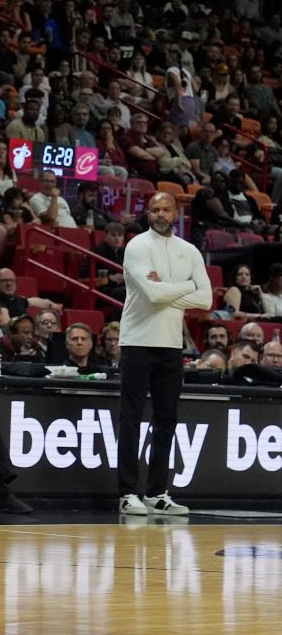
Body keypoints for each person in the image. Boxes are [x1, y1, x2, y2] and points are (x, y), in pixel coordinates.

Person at [117, 192, 211, 516]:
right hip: (137, 340)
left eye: (166, 209)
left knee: (166, 420)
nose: (160, 213)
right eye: (154, 208)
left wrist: (169, 290)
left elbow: (208, 299)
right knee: (131, 418)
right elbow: (155, 295)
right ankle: (128, 492)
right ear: (147, 213)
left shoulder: (189, 251)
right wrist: (186, 286)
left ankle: (157, 492)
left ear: (176, 213)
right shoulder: (137, 247)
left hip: (172, 345)